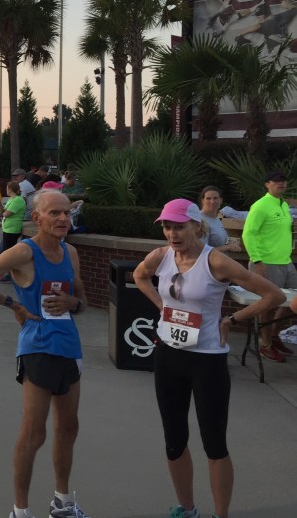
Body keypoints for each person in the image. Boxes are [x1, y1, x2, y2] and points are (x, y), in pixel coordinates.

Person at [132, 199, 284, 518]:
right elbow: (139, 276)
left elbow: (274, 295)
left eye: (179, 226)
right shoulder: (161, 256)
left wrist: (233, 319)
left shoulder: (215, 261)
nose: (172, 233)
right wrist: (161, 305)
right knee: (174, 440)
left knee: (214, 443)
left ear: (196, 226)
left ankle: (220, 514)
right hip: (168, 356)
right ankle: (187, 508)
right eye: (167, 226)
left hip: (207, 361)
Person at [0, 190, 91, 518]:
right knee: (34, 432)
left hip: (69, 346)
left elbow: (83, 301)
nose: (63, 218)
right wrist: (12, 304)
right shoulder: (24, 252)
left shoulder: (71, 253)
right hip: (38, 347)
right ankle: (20, 511)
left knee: (69, 427)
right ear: (37, 218)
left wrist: (73, 303)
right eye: (54, 213)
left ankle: (63, 503)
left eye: (66, 213)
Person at [240, 169, 296, 362]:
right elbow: (248, 233)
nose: (281, 183)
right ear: (267, 184)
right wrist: (257, 261)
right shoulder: (260, 206)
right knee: (267, 305)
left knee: (293, 303)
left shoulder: (284, 205)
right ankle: (266, 345)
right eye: (276, 180)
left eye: (283, 180)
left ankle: (273, 335)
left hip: (286, 262)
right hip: (266, 263)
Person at [198, 186, 242, 255]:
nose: (212, 201)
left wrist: (232, 244)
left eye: (215, 198)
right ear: (202, 200)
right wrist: (227, 247)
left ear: (221, 200)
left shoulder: (216, 219)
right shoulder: (199, 221)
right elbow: (201, 251)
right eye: (208, 198)